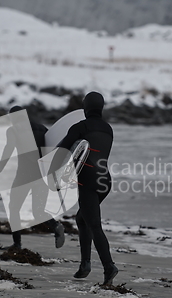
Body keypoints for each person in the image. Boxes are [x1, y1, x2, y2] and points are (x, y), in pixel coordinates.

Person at [49, 92, 118, 285]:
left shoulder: (80, 127)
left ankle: (109, 267)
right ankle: (85, 265)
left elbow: (62, 151)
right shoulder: (108, 129)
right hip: (105, 181)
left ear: (85, 107)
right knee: (82, 218)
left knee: (94, 225)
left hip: (87, 180)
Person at [0, 106, 65, 250]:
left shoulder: (13, 130)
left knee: (13, 208)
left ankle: (17, 244)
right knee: (38, 212)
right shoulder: (42, 129)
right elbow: (52, 151)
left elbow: (8, 150)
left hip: (24, 174)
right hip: (41, 174)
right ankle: (55, 226)